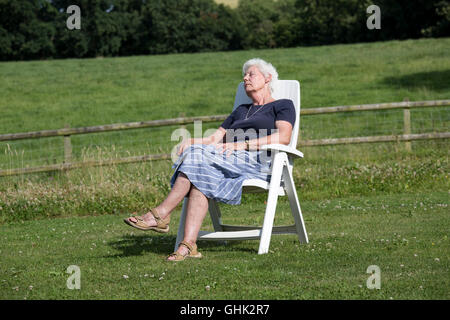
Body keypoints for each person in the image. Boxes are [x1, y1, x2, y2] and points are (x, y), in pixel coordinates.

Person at [124, 58, 296, 261]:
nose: (245, 78)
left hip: (258, 162)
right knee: (199, 169)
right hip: (225, 160)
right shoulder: (241, 110)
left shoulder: (282, 105)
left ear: (267, 78)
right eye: (245, 75)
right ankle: (188, 245)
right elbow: (214, 139)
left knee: (196, 157)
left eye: (251, 74)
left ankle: (160, 214)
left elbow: (284, 137)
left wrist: (243, 144)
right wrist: (193, 140)